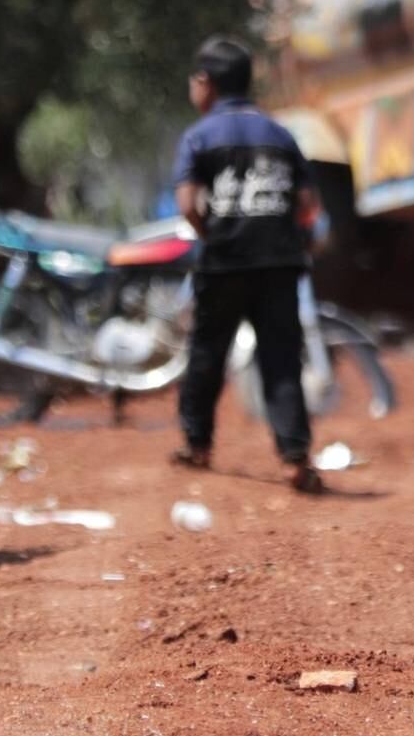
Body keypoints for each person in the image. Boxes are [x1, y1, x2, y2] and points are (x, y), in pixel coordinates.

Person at [170, 35, 324, 494]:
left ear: (206, 83)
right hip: (279, 262)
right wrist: (289, 233)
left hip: (225, 263)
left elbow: (186, 203)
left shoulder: (199, 136)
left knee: (207, 353)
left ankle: (197, 446)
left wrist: (210, 233)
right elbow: (308, 203)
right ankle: (295, 458)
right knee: (280, 358)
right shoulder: (280, 134)